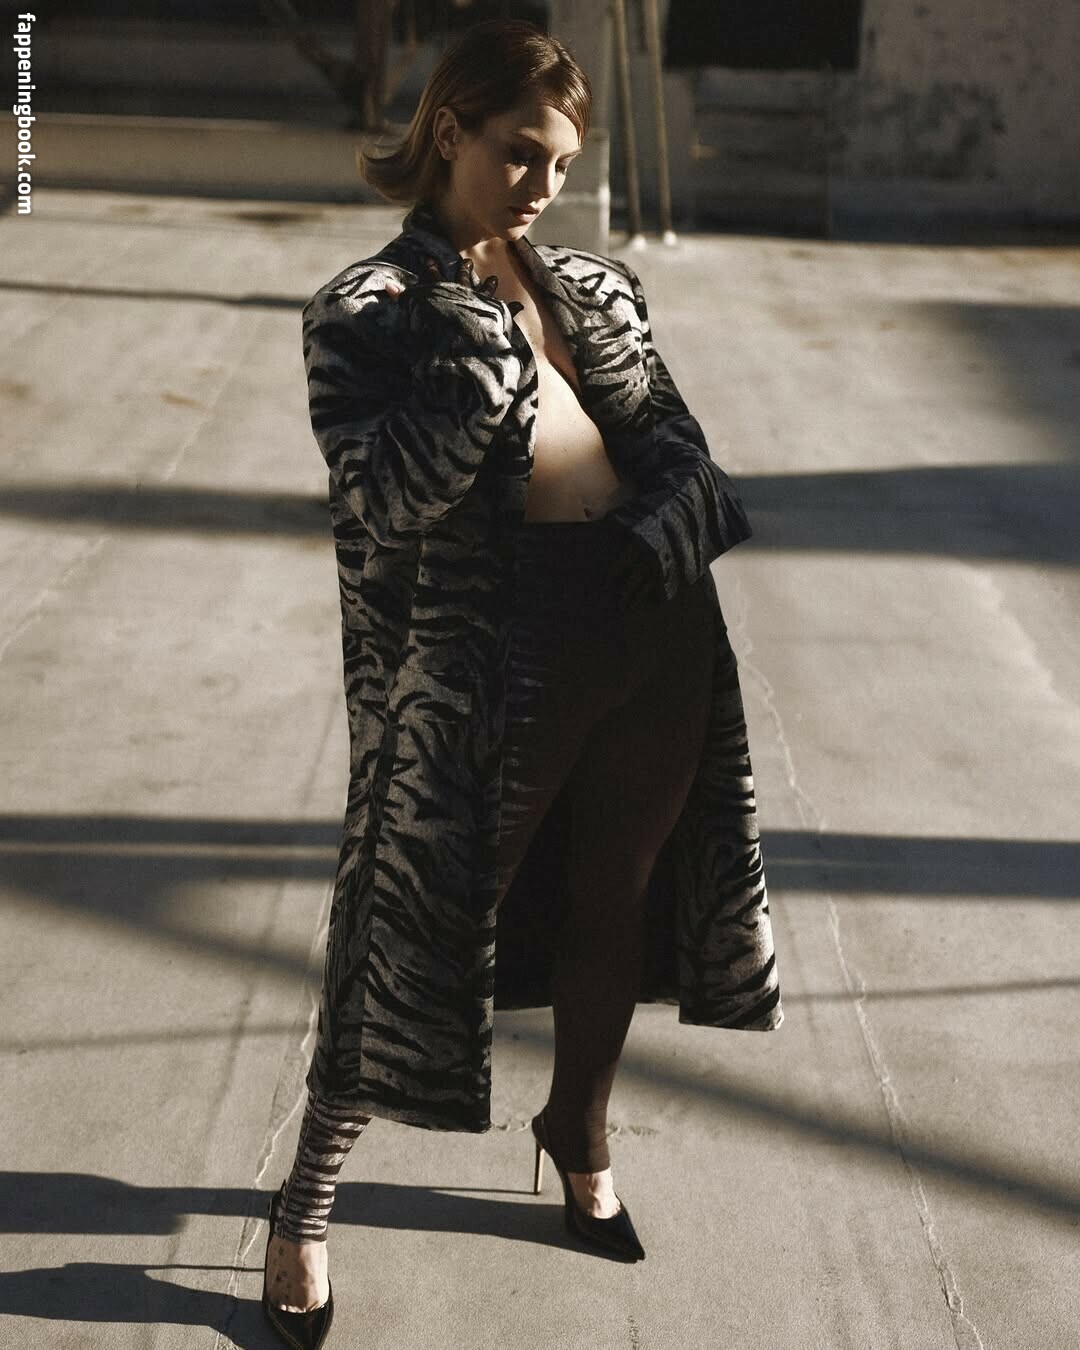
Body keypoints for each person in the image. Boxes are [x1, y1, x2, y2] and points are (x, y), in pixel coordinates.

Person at [262, 18, 782, 1348]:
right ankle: (304, 1202)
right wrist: (484, 364)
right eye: (520, 154)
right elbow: (382, 500)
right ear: (450, 133)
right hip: (499, 650)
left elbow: (678, 447)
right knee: (412, 931)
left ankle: (579, 1135)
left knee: (617, 895)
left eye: (562, 162)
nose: (545, 184)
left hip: (653, 620)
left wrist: (668, 517)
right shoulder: (367, 313)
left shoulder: (597, 288)